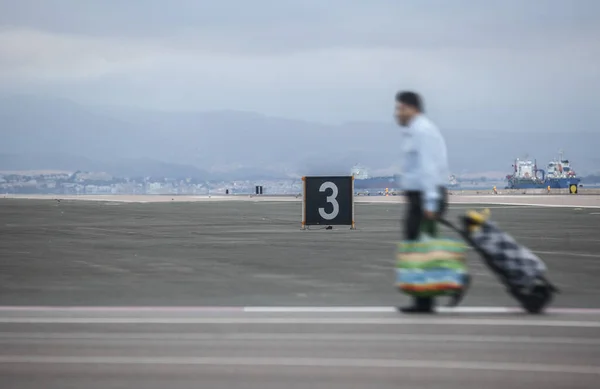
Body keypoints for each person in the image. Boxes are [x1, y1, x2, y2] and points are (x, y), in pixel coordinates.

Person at [394, 91, 450, 313]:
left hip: (425, 197)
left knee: (420, 248)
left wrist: (431, 202)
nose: (396, 113)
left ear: (412, 108)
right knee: (418, 247)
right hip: (419, 197)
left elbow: (428, 169)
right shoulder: (415, 131)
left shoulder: (422, 131)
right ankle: (422, 299)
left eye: (400, 108)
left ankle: (425, 300)